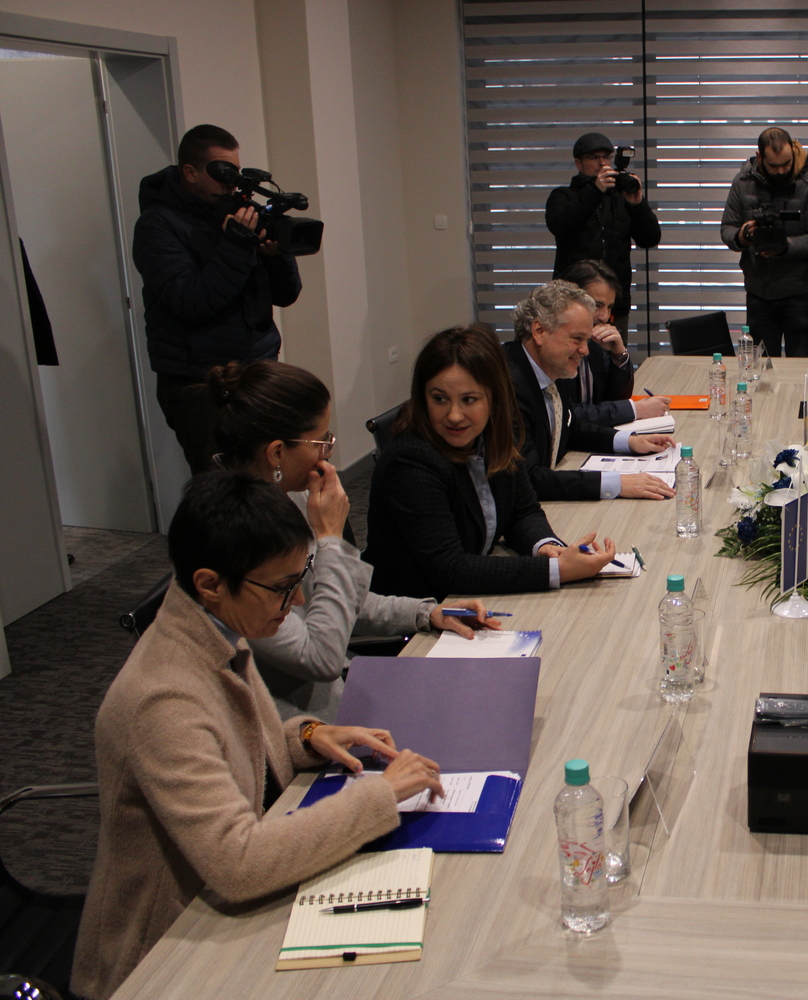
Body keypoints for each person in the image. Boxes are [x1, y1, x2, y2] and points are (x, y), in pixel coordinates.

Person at [72, 471, 443, 1000]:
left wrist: (307, 735)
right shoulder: (163, 699)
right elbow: (239, 863)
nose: (296, 601)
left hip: (212, 917)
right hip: (159, 959)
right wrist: (379, 796)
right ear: (210, 583)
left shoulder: (215, 626)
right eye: (282, 588)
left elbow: (234, 744)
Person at [208, 360, 499, 720]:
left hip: (342, 690)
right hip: (299, 724)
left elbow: (340, 601)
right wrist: (331, 540)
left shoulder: (287, 496)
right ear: (277, 453)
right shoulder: (235, 537)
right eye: (321, 441)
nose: (328, 452)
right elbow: (321, 657)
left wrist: (426, 612)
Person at [364, 324, 617, 599]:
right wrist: (556, 570)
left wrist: (546, 547)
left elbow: (522, 510)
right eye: (439, 399)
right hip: (420, 611)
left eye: (469, 400)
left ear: (494, 398)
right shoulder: (410, 461)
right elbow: (450, 569)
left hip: (469, 598)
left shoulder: (495, 433)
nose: (454, 415)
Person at [133, 124, 302, 473]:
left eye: (235, 171)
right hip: (201, 382)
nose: (231, 182)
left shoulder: (233, 213)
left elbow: (286, 295)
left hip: (256, 369)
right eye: (222, 171)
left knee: (270, 475)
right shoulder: (157, 226)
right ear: (190, 172)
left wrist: (275, 255)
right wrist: (236, 245)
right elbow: (193, 302)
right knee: (223, 483)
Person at [504, 281, 676, 502]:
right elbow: (529, 479)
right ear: (539, 331)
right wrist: (615, 483)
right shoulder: (507, 386)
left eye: (586, 340)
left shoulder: (549, 367)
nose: (585, 351)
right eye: (577, 339)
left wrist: (629, 441)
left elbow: (571, 428)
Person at [720, 126, 808, 357]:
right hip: (760, 291)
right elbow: (727, 228)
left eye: (786, 164)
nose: (780, 171)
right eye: (773, 166)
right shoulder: (743, 182)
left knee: (799, 365)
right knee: (762, 366)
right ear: (759, 157)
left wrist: (784, 246)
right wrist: (743, 236)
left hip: (800, 292)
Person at [545, 132, 660, 324]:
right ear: (578, 163)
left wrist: (637, 204)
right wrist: (595, 190)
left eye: (606, 157)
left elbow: (650, 239)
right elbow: (559, 225)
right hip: (571, 303)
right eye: (594, 158)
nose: (602, 163)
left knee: (613, 344)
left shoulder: (621, 198)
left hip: (613, 304)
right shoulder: (563, 196)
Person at [556, 259, 669, 425]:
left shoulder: (595, 346)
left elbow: (615, 400)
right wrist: (634, 410)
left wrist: (619, 354)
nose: (605, 316)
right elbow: (566, 415)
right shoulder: (555, 349)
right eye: (597, 305)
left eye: (609, 307)